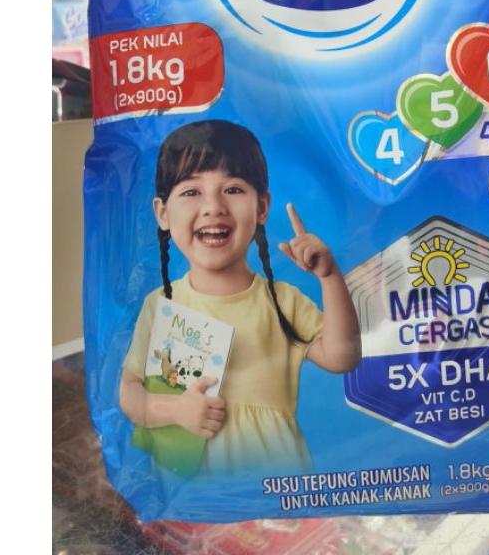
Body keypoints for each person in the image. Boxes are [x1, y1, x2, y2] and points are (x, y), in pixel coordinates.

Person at [119, 119, 361, 478]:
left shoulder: (282, 302)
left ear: (262, 207)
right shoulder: (162, 304)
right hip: (190, 487)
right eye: (191, 192)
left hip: (275, 481)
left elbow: (343, 357)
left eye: (232, 189)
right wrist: (174, 411)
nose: (213, 206)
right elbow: (130, 392)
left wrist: (329, 277)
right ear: (163, 213)